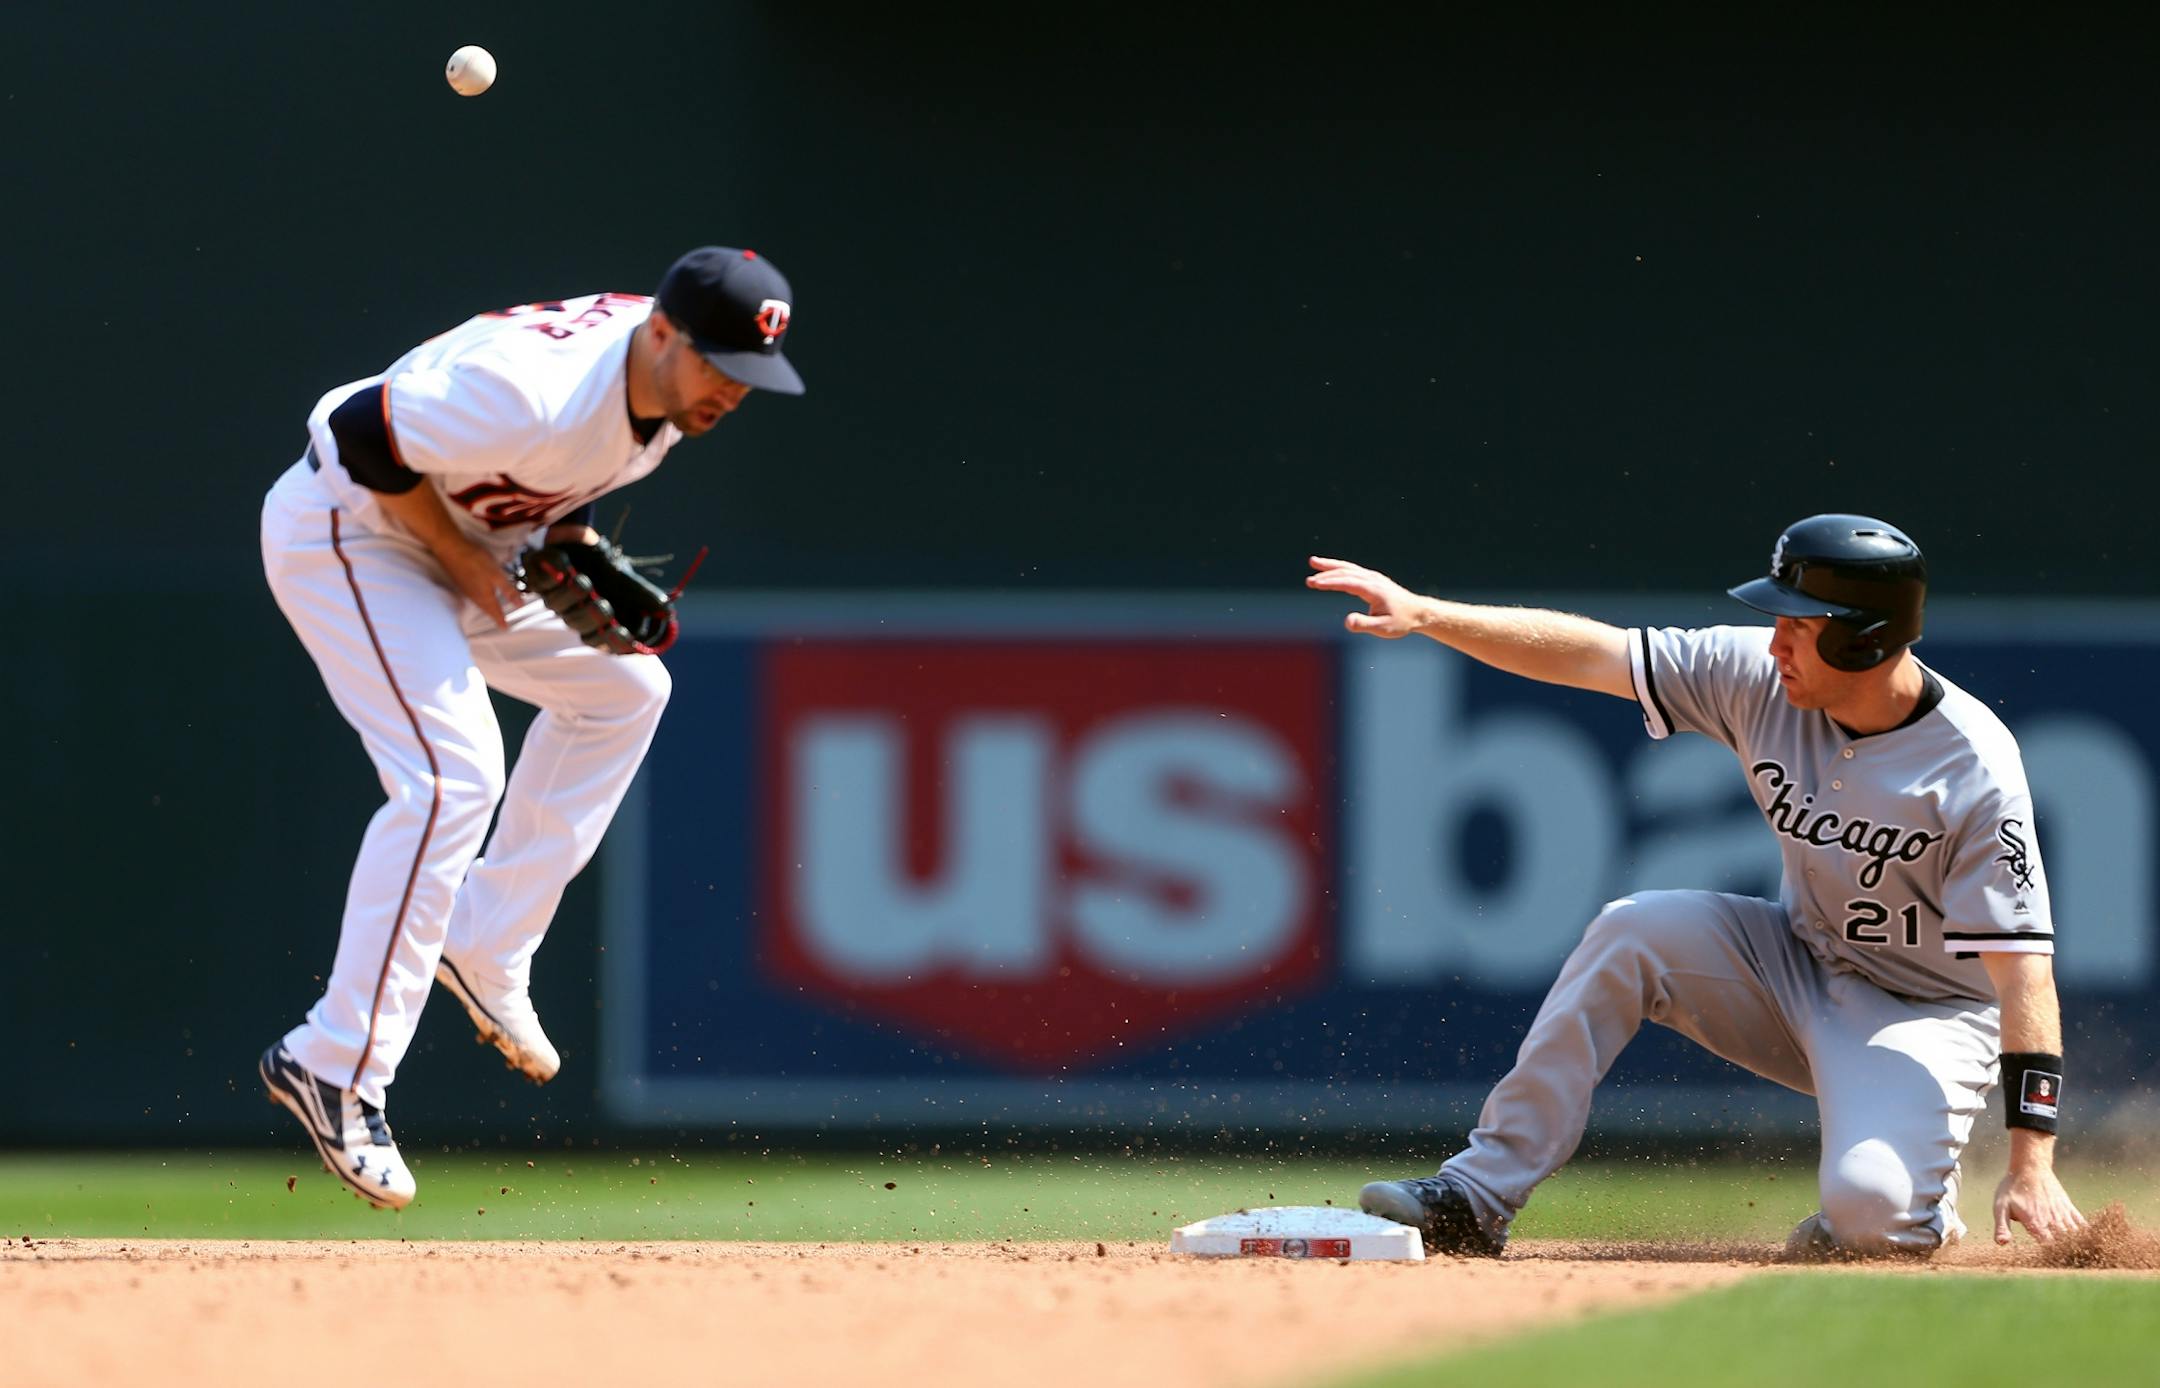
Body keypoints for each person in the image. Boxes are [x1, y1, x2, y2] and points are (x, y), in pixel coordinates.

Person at [1307, 515, 2087, 1259]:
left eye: (1799, 625)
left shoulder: (1973, 769)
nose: (1776, 641)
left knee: (1869, 1217)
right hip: (1794, 962)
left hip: (1926, 1016)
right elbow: (1591, 655)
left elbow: (2024, 975)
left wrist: (2032, 1161)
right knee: (1632, 929)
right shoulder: (1756, 673)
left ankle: (1913, 1214)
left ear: (1862, 640)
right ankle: (1474, 1196)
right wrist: (1428, 614)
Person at [257, 246, 804, 1208]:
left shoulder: (665, 391)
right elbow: (354, 432)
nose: (733, 390)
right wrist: (462, 561)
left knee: (628, 694)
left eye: (751, 375)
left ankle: (486, 941)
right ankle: (334, 1061)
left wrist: (565, 539)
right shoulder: (532, 392)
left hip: (462, 548)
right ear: (664, 334)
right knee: (451, 779)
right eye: (720, 364)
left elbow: (551, 477)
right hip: (348, 532)